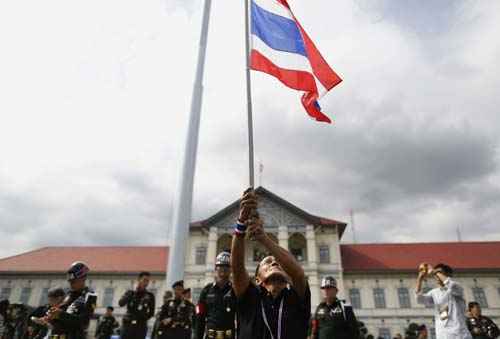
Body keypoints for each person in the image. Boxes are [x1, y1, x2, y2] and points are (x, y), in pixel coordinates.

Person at [231, 188, 311, 339]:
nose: (274, 261)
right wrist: (241, 222)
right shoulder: (249, 297)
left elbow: (298, 273)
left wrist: (263, 238)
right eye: (267, 262)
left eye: (278, 262)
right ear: (257, 280)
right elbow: (237, 267)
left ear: (287, 276)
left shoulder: (295, 297)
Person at [415, 263, 471, 339]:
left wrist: (435, 271)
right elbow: (419, 299)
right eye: (435, 274)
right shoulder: (434, 292)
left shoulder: (457, 287)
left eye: (440, 273)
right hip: (443, 334)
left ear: (448, 275)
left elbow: (450, 284)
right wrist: (419, 279)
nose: (436, 276)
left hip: (459, 334)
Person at [45, 261, 98, 339]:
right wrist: (51, 317)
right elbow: (60, 317)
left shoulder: (90, 296)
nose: (71, 284)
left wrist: (61, 314)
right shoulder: (68, 295)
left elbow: (84, 322)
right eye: (69, 281)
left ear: (83, 278)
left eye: (73, 281)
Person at [195, 251, 236, 339]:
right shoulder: (206, 290)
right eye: (220, 266)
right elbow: (199, 318)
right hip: (210, 336)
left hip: (228, 336)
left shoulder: (235, 291)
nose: (223, 269)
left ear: (231, 269)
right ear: (216, 268)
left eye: (227, 266)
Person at [118, 271, 155, 339]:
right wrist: (133, 292)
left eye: (147, 281)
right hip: (128, 325)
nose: (146, 283)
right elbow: (121, 303)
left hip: (140, 327)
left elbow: (151, 312)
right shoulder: (130, 292)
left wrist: (142, 319)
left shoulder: (150, 296)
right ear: (139, 280)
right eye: (144, 280)